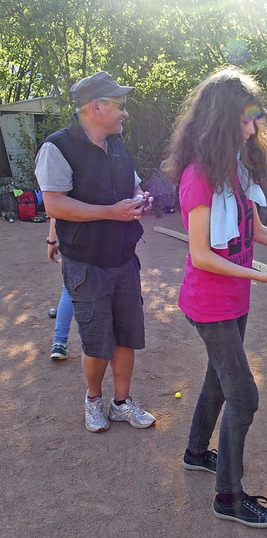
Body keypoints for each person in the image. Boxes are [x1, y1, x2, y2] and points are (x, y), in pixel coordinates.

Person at [160, 67, 267, 528]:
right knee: (245, 397)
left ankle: (197, 452)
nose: (253, 128)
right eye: (244, 121)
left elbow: (253, 229)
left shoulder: (232, 169)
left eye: (253, 119)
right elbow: (201, 255)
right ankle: (228, 497)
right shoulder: (199, 176)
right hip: (209, 304)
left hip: (233, 299)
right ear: (220, 121)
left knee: (219, 382)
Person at [35, 71, 156, 433]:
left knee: (126, 334)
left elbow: (133, 186)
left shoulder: (118, 145)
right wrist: (109, 212)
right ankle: (93, 401)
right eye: (119, 105)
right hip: (86, 263)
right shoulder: (57, 147)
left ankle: (121, 403)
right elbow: (55, 205)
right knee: (96, 340)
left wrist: (138, 201)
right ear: (96, 107)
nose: (125, 113)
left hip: (123, 259)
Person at [46, 217, 74, 360]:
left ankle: (59, 343)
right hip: (105, 240)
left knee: (69, 290)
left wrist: (52, 241)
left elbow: (55, 211)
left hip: (73, 239)